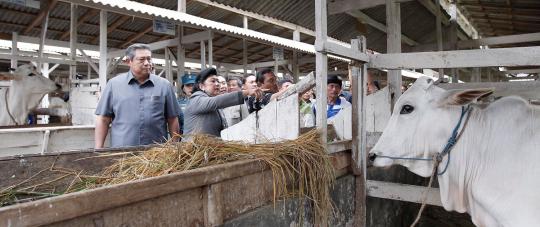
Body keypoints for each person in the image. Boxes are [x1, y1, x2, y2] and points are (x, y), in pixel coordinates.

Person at [94, 43, 180, 148]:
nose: (147, 63)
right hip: (122, 150)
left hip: (156, 152)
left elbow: (172, 119)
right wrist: (98, 148)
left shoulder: (164, 85)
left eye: (149, 59)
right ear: (128, 61)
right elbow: (103, 119)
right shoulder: (114, 85)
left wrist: (175, 147)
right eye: (142, 59)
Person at [184, 68, 261, 137]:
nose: (217, 84)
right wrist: (246, 92)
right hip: (194, 150)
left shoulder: (211, 100)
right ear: (201, 86)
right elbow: (216, 101)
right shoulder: (196, 98)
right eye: (213, 81)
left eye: (217, 81)